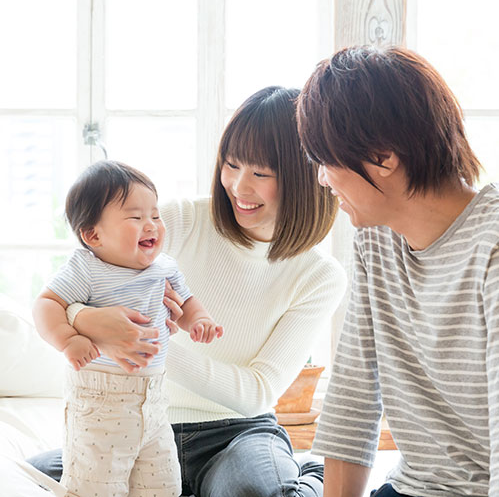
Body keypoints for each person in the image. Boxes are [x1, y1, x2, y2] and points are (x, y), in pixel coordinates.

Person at [28, 86, 348, 497]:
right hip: (140, 421)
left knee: (256, 490)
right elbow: (74, 286)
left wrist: (151, 344)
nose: (238, 186)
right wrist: (86, 321)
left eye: (261, 174)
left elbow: (257, 393)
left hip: (236, 434)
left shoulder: (319, 275)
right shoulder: (175, 220)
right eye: (231, 165)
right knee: (36, 475)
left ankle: (307, 473)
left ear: (306, 178)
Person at [296, 45, 499, 497]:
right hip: (412, 487)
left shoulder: (492, 247)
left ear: (383, 158)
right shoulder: (375, 238)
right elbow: (353, 394)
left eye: (325, 162)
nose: (322, 180)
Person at [32, 160, 223, 497]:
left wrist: (199, 320)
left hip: (154, 402)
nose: (151, 225)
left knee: (163, 486)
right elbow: (46, 304)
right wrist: (69, 339)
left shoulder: (164, 267)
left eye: (155, 215)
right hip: (100, 401)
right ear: (93, 234)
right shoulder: (87, 269)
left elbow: (186, 302)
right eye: (136, 217)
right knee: (94, 487)